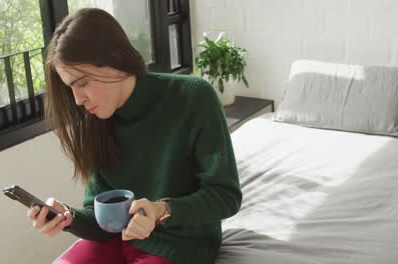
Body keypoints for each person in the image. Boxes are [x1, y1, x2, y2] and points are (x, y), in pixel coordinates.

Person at [26, 7, 242, 264]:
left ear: (114, 59)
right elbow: (100, 223)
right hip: (116, 243)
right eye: (70, 87)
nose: (77, 99)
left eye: (82, 83)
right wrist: (68, 217)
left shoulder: (193, 97)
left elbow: (225, 196)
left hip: (179, 247)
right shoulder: (97, 120)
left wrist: (162, 210)